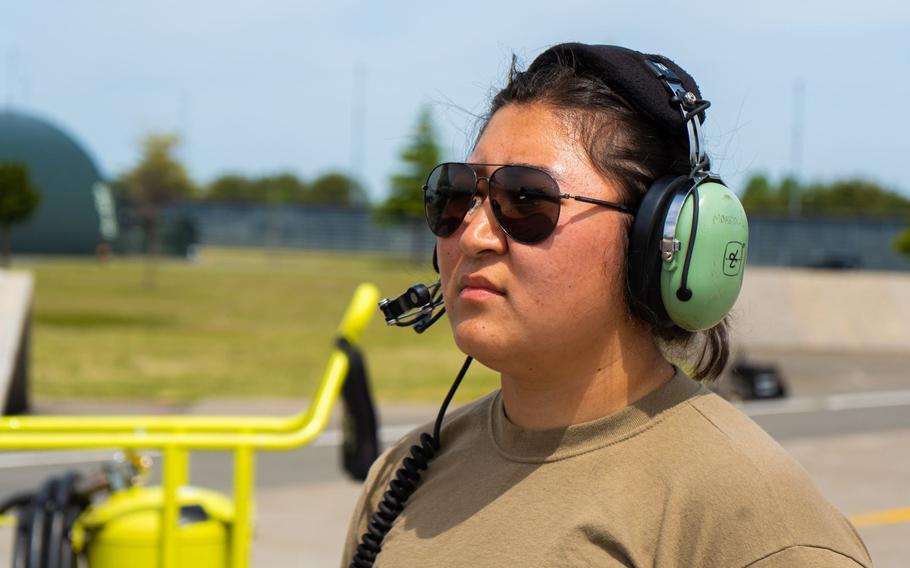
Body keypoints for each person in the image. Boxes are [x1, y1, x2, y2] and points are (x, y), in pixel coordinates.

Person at [342, 43, 872, 567]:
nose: (474, 234)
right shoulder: (401, 479)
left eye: (526, 198)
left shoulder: (756, 526)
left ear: (659, 241)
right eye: (457, 195)